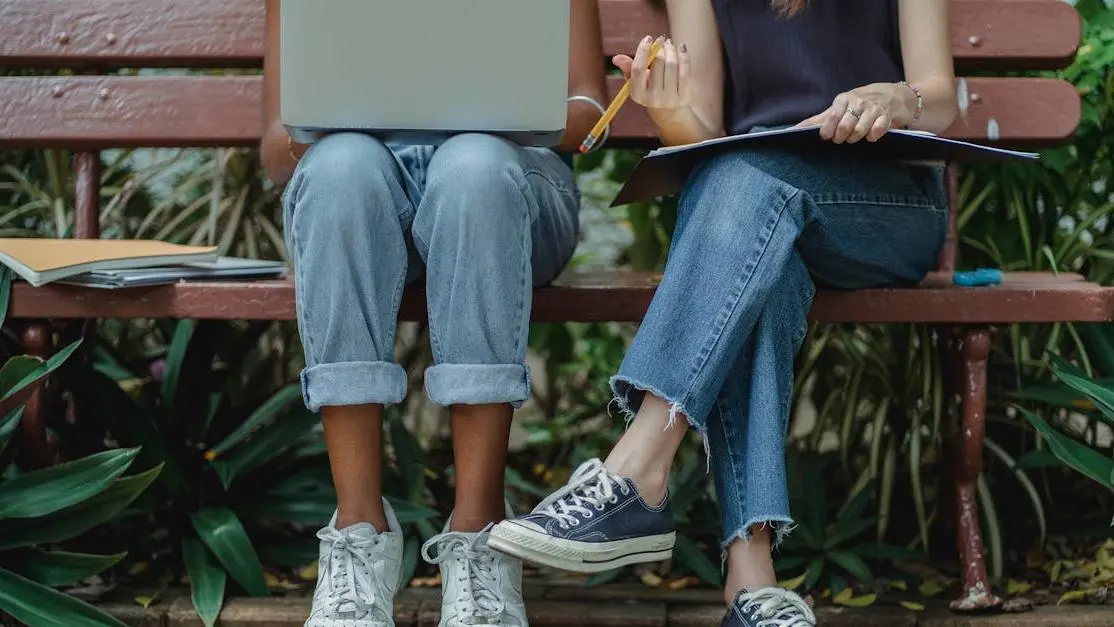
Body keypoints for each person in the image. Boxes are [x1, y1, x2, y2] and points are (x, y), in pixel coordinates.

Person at [488, 1, 958, 625]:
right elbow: (702, 131)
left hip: (881, 205)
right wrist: (667, 108)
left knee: (739, 183)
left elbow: (944, 100)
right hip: (758, 214)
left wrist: (898, 100)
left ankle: (637, 469)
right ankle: (752, 585)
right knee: (760, 253)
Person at [260, 1, 609, 625]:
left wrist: (517, 118)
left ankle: (480, 538)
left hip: (513, 187)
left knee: (472, 167)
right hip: (367, 187)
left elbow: (588, 109)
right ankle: (357, 537)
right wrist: (317, 128)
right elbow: (275, 152)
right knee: (338, 170)